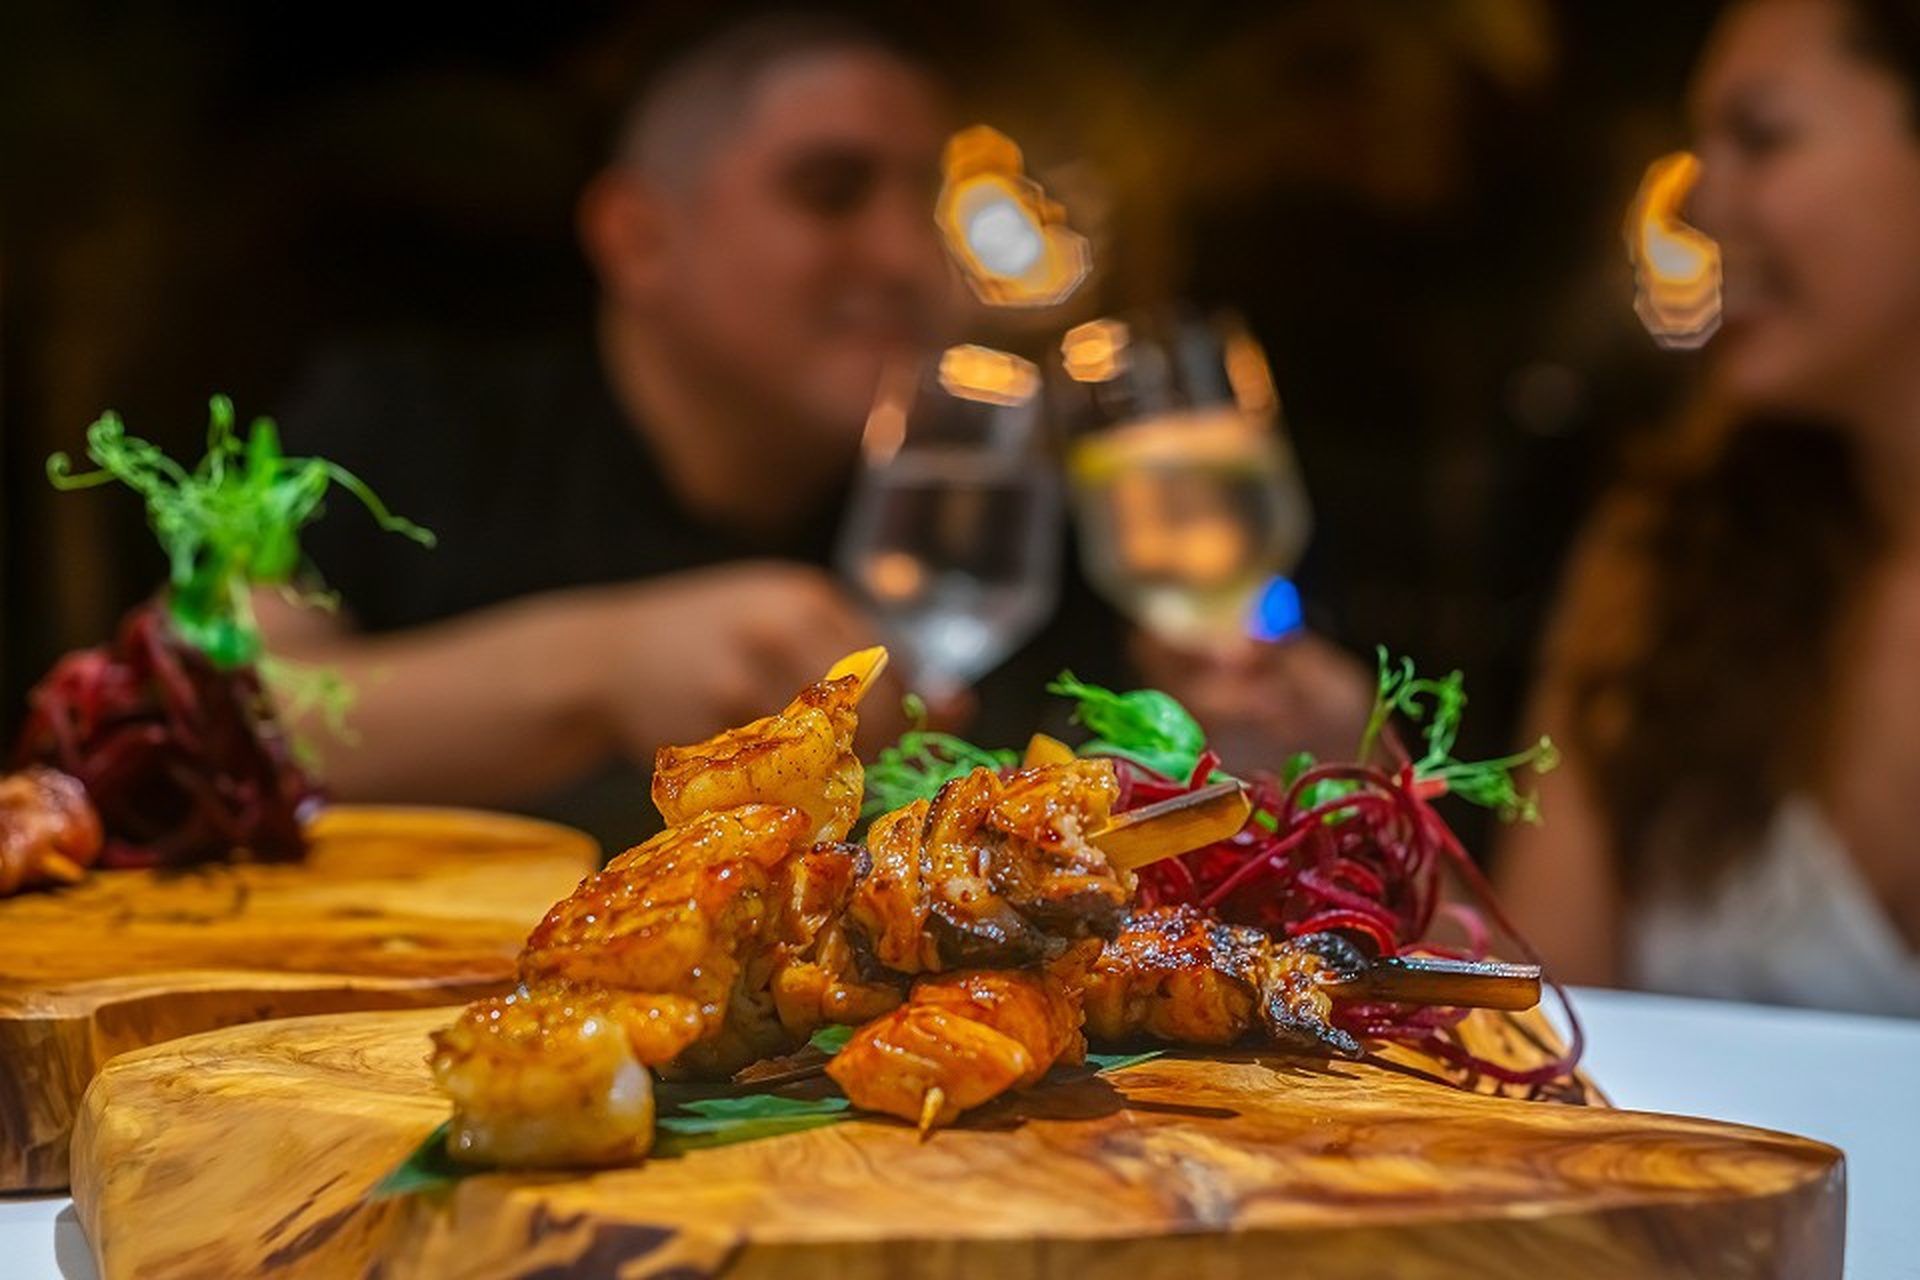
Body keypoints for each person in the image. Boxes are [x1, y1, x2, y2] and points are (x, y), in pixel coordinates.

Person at [263, 13, 1371, 846]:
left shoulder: (995, 513)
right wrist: (604, 665)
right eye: (831, 191)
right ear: (638, 236)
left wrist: (1301, 775)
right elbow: (219, 703)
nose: (904, 257)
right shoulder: (406, 425)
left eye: (929, 206)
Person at [1498, 0, 1920, 1015]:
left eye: (1759, 138)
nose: (1693, 205)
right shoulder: (1667, 555)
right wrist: (1362, 799)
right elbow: (1540, 1033)